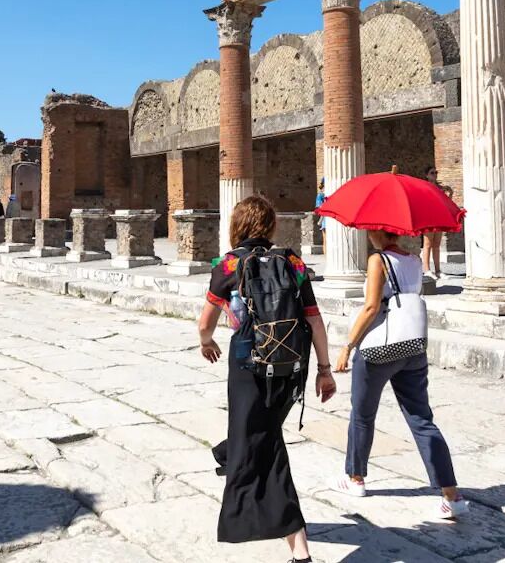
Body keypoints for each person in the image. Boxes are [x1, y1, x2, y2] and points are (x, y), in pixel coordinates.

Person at [197, 194, 336, 563]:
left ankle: (300, 550)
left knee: (265, 444)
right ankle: (232, 452)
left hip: (247, 365)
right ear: (270, 227)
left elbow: (205, 321)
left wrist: (206, 341)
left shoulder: (228, 264)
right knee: (260, 433)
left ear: (237, 227)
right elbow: (314, 318)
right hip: (291, 367)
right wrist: (324, 371)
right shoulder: (291, 261)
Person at [334, 228, 468, 520]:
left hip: (379, 349)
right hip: (412, 346)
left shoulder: (377, 260)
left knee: (363, 414)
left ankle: (356, 478)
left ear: (377, 231)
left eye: (370, 229)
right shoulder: (415, 260)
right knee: (421, 418)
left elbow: (371, 307)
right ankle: (452, 495)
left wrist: (348, 345)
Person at [421, 167, 445, 281]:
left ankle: (438, 270)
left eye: (436, 172)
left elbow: (445, 202)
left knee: (437, 245)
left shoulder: (440, 188)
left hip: (439, 217)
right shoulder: (424, 186)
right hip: (428, 217)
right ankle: (426, 269)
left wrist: (450, 193)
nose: (435, 175)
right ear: (427, 175)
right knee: (427, 244)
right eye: (432, 173)